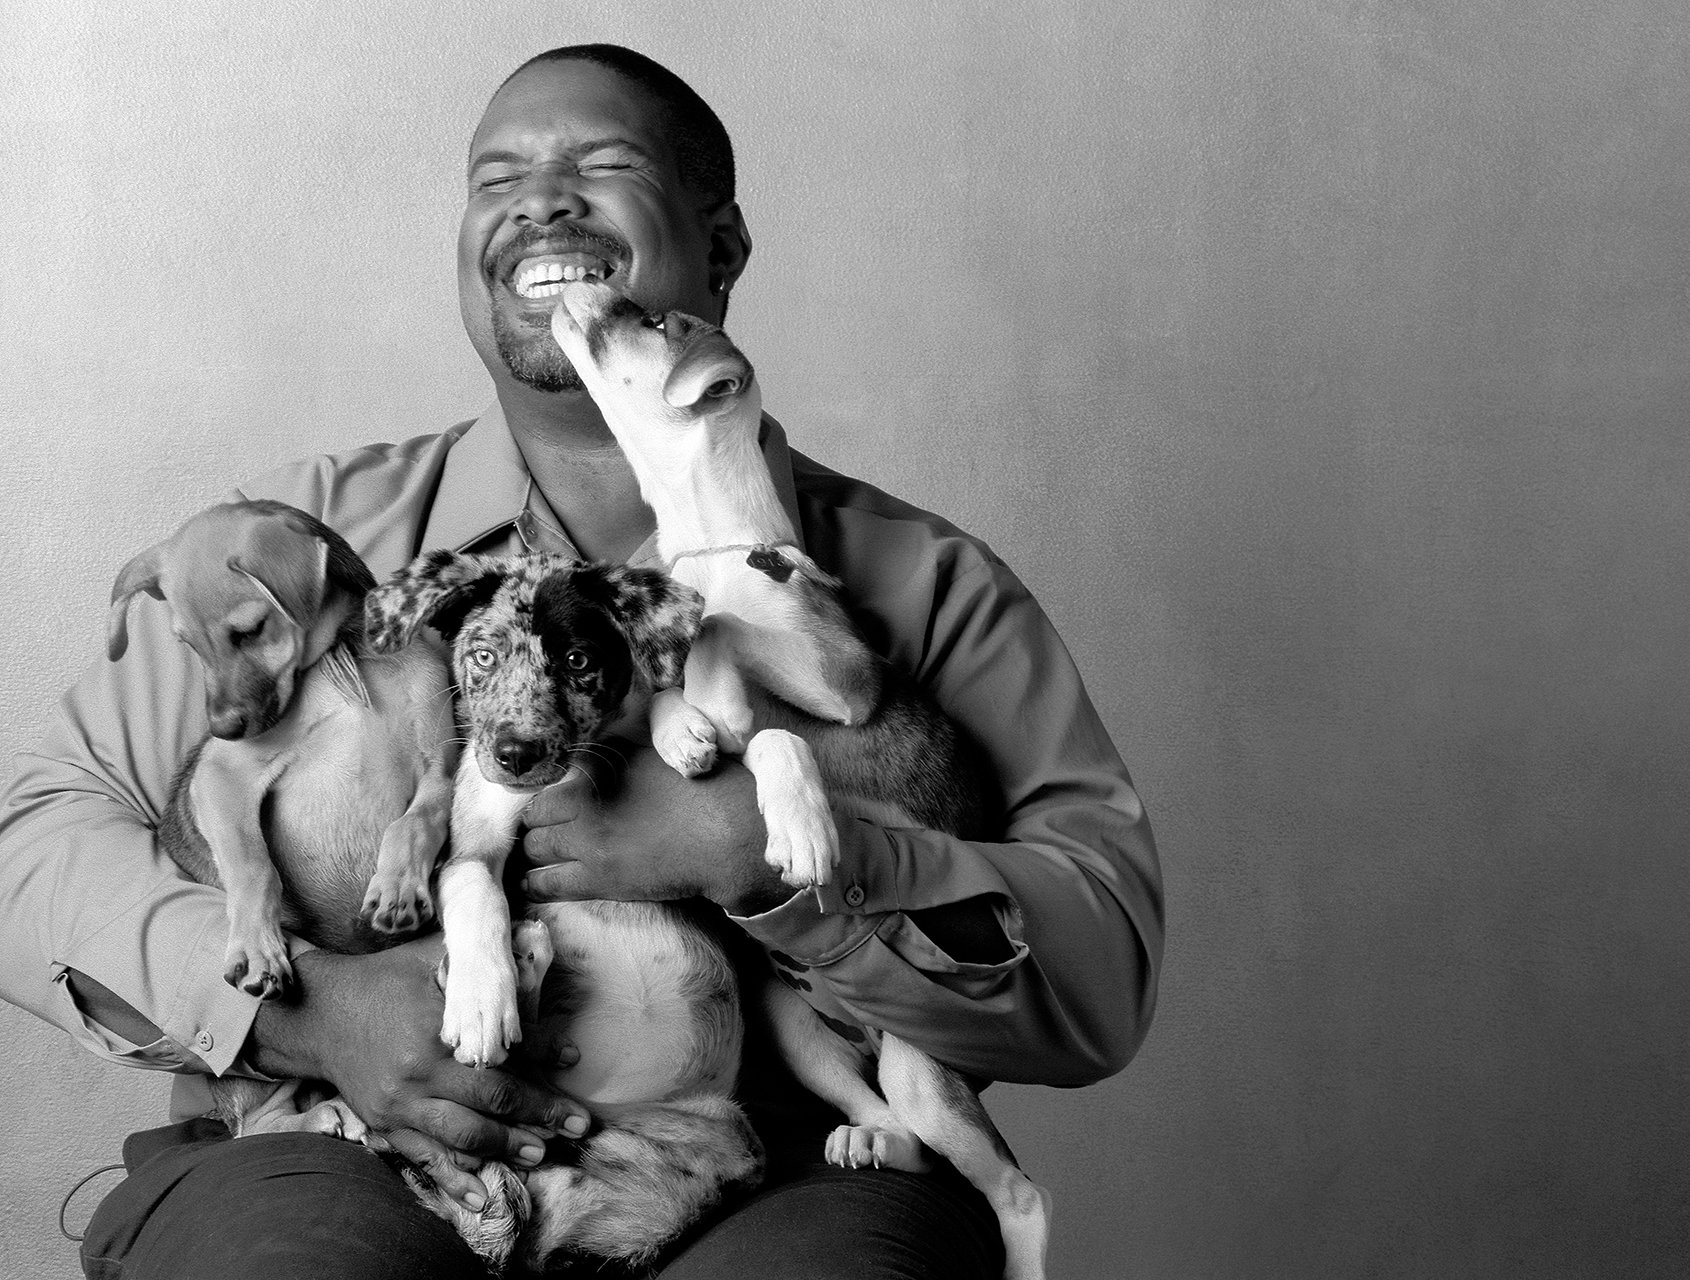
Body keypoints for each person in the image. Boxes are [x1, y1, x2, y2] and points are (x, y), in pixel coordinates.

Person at [0, 43, 1163, 1280]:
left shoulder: (917, 587)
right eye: (494, 176)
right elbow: (28, 847)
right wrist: (306, 1013)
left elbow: (1101, 968)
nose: (538, 200)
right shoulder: (303, 558)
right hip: (334, 1145)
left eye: (599, 164)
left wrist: (772, 860)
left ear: (722, 243)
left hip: (768, 1170)